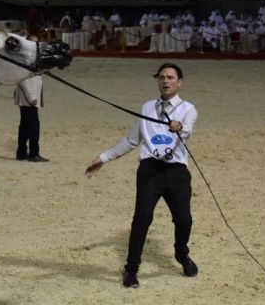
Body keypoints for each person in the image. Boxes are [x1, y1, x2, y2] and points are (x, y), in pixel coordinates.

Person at [85, 63, 199, 288]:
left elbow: (188, 128)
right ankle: (131, 268)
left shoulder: (188, 108)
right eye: (161, 77)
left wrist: (179, 127)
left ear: (179, 82)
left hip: (176, 172)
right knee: (142, 219)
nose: (165, 81)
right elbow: (130, 140)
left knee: (184, 219)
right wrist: (104, 158)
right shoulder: (147, 107)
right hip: (150, 171)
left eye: (170, 77)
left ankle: (181, 253)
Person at [14, 35, 48, 163]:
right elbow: (22, 78)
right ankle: (34, 153)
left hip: (28, 97)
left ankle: (21, 152)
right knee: (33, 125)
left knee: (25, 125)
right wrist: (31, 96)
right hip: (28, 97)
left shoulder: (30, 58)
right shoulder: (24, 59)